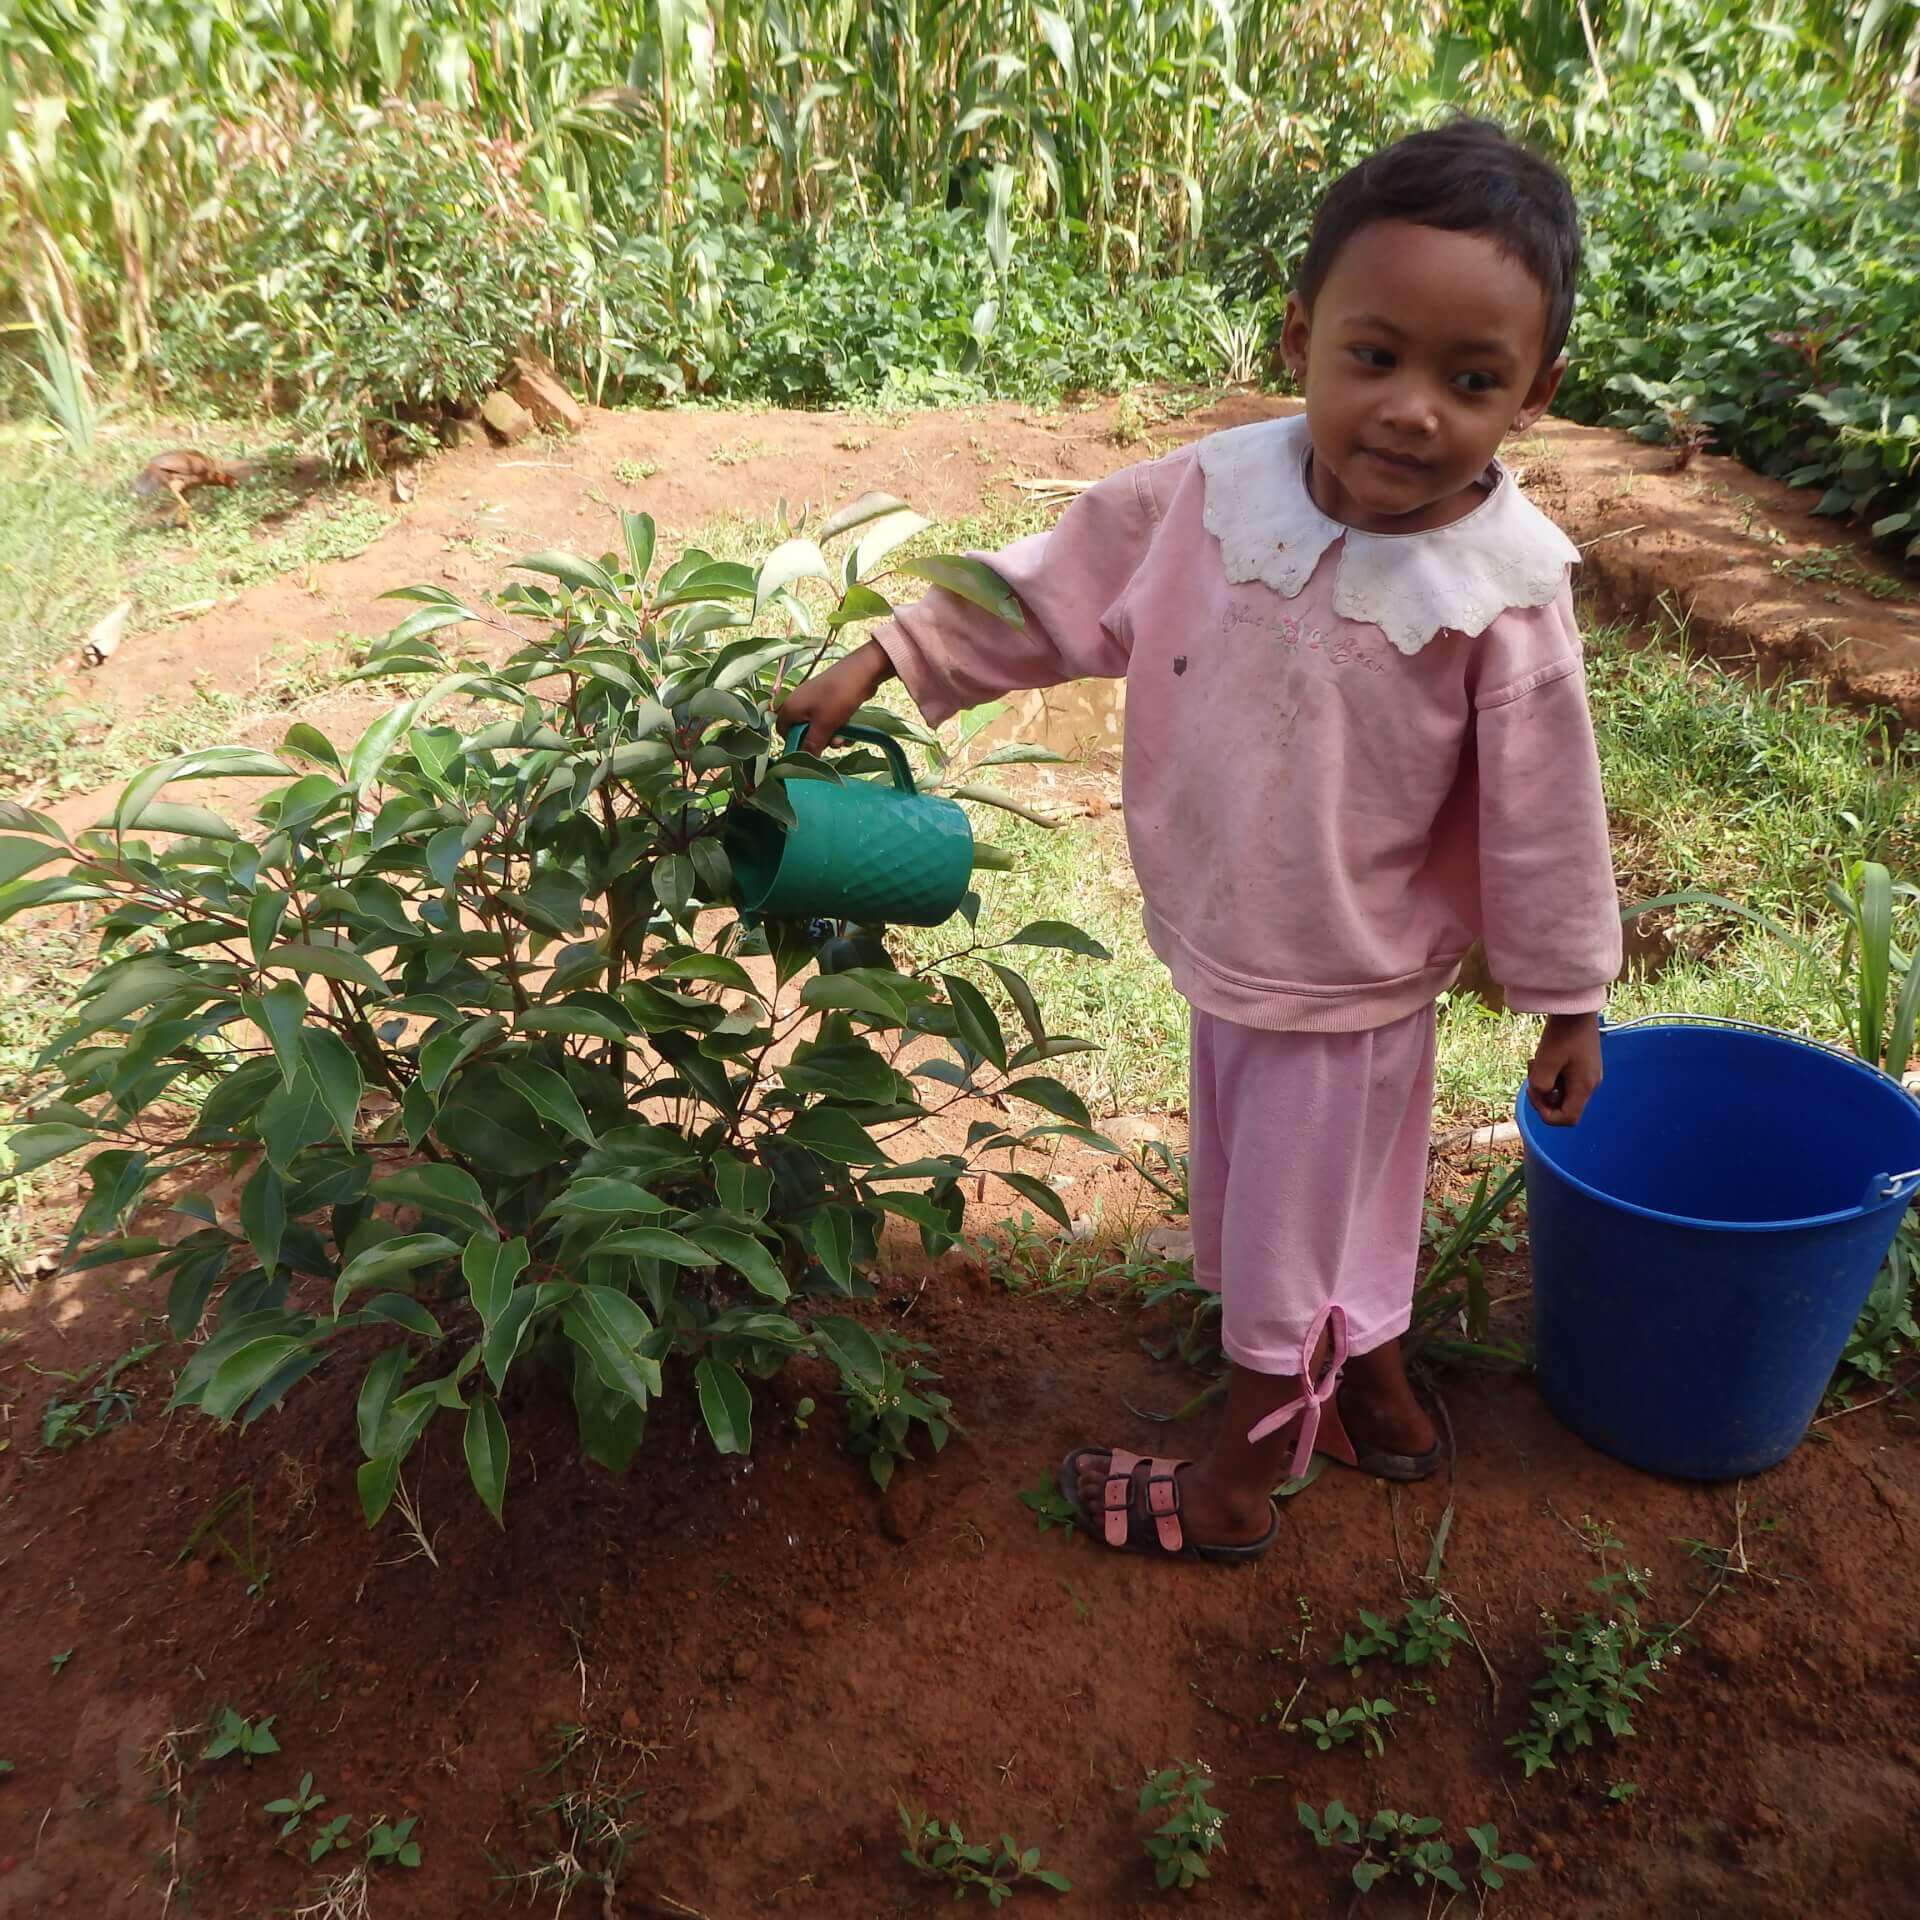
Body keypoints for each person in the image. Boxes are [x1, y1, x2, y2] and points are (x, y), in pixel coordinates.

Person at [778, 118, 1622, 1562]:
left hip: (1348, 969)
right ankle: (1384, 1402)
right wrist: (890, 656)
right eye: (1376, 357)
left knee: (1289, 1225)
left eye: (1470, 381)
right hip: (1233, 931)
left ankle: (1238, 1474)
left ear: (1532, 395)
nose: (1414, 409)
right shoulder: (1210, 498)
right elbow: (1052, 589)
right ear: (1301, 335)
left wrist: (1568, 992)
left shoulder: (1502, 586)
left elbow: (1548, 811)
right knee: (1315, 1194)